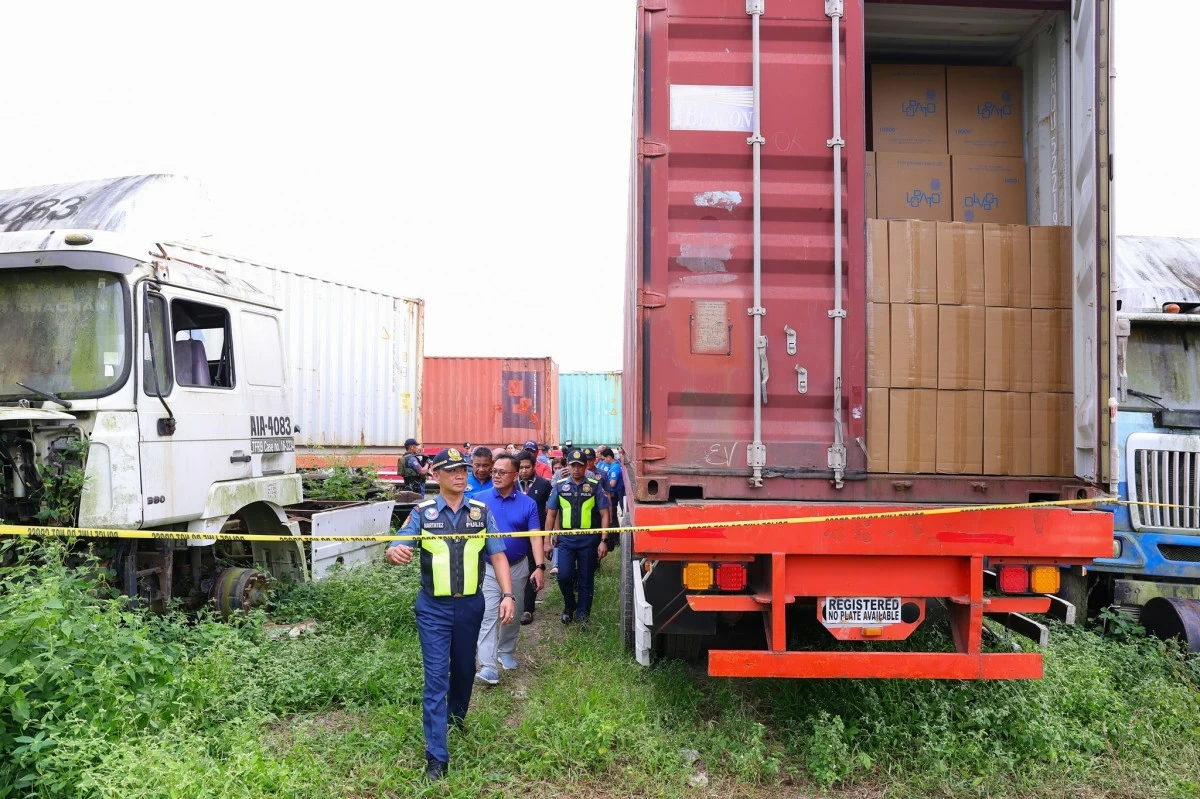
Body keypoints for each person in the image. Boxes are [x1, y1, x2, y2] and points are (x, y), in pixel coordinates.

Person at [386, 448, 516, 781]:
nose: (460, 474)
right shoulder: (423, 513)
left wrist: (507, 594)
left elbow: (498, 556)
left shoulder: (481, 513)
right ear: (436, 475)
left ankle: (456, 719)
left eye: (463, 469)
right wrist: (394, 552)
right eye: (452, 469)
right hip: (433, 608)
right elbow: (399, 543)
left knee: (463, 670)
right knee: (436, 679)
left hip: (471, 606)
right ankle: (436, 755)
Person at [473, 454, 544, 684]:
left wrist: (539, 566)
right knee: (488, 615)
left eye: (502, 472)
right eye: (494, 471)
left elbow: (535, 537)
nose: (495, 475)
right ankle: (488, 667)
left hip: (518, 568)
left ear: (515, 476)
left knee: (513, 613)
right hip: (488, 568)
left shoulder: (528, 504)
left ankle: (505, 650)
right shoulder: (478, 500)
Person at [545, 449, 610, 624]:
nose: (576, 469)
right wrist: (546, 540)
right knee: (564, 576)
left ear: (586, 466)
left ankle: (582, 614)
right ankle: (569, 605)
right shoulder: (559, 486)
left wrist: (603, 540)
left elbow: (605, 514)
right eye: (572, 465)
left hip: (588, 539)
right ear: (567, 465)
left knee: (586, 578)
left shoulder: (594, 486)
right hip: (566, 539)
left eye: (579, 466)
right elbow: (551, 514)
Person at [516, 450, 553, 624]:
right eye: (520, 467)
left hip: (535, 534)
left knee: (533, 568)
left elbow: (551, 510)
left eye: (527, 467)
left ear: (534, 466)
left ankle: (528, 609)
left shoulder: (544, 485)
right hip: (515, 534)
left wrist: (547, 538)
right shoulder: (511, 484)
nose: (523, 470)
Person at [599, 447, 625, 547]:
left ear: (609, 457)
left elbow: (612, 483)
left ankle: (615, 539)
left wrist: (603, 485)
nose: (604, 461)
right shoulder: (612, 466)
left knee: (612, 517)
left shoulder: (615, 468)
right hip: (610, 494)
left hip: (613, 495)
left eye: (604, 459)